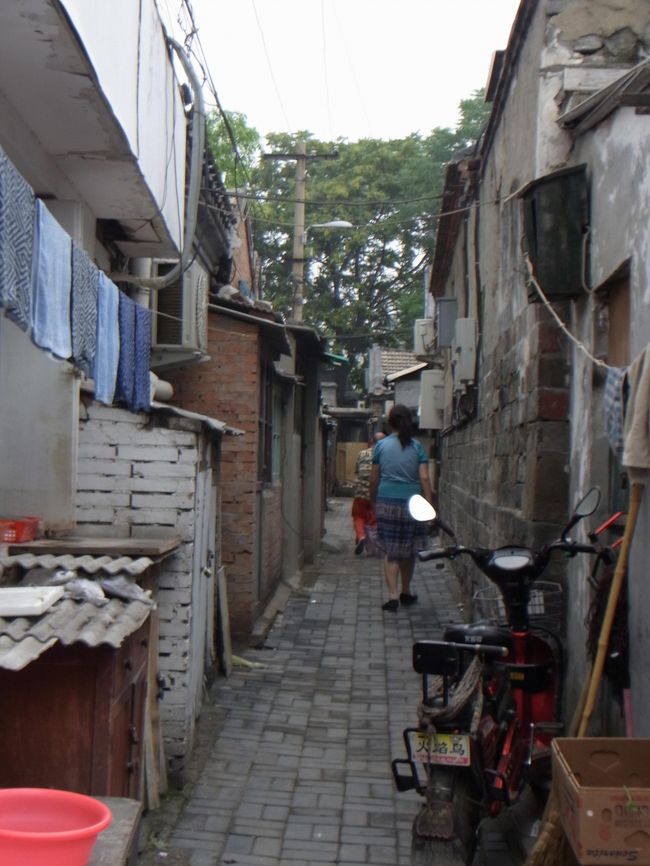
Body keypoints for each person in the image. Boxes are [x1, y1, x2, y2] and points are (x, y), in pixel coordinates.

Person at [369, 404, 433, 612]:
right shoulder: (416, 447)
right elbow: (424, 477)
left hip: (387, 501)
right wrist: (430, 505)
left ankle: (392, 596)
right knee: (409, 549)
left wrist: (373, 501)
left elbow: (374, 478)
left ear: (391, 423)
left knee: (391, 550)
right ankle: (406, 591)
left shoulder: (381, 446)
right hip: (412, 504)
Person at [351, 432, 385, 555]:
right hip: (376, 493)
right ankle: (374, 545)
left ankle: (361, 536)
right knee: (373, 520)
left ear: (371, 442)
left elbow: (357, 471)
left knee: (358, 516)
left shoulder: (361, 454)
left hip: (360, 493)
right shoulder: (384, 455)